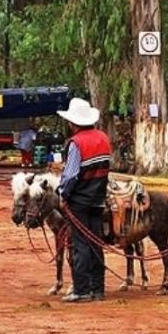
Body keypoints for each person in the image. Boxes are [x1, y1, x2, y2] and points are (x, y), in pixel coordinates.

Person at [55, 98, 111, 303]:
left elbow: (70, 175)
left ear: (73, 123)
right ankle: (98, 289)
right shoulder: (103, 138)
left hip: (79, 201)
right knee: (96, 242)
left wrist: (63, 194)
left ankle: (81, 289)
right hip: (98, 199)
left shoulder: (76, 143)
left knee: (80, 244)